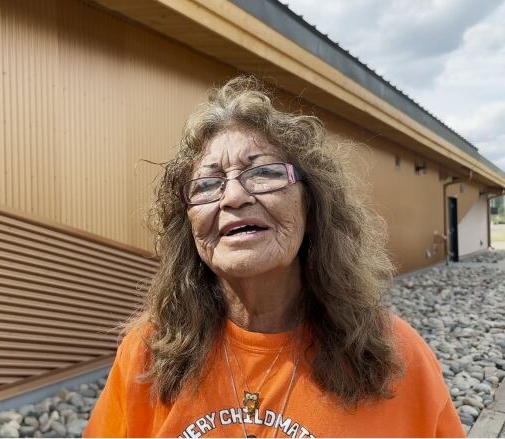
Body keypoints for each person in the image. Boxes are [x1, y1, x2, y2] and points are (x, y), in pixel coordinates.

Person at [83, 75, 464, 437]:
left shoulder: (394, 357)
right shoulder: (148, 352)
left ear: (313, 209)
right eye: (208, 184)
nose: (233, 197)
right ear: (190, 226)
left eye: (263, 173)